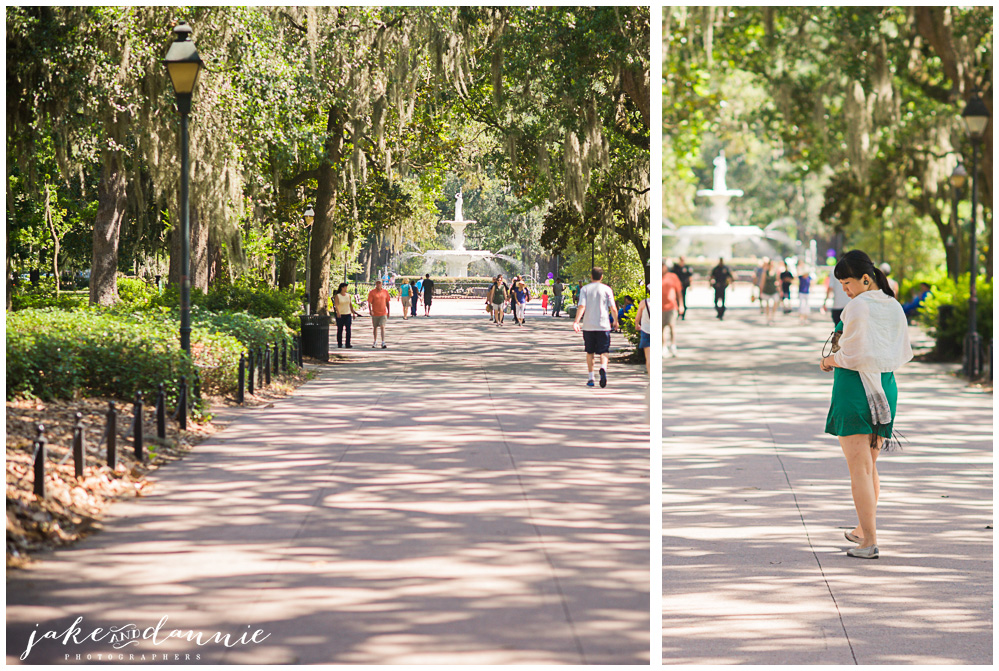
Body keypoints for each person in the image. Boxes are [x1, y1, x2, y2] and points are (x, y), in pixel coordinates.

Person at [820, 250, 912, 560]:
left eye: (847, 283)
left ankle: (869, 541)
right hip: (885, 387)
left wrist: (829, 359)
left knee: (858, 468)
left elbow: (853, 356)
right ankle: (863, 528)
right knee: (870, 464)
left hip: (855, 388)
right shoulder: (893, 305)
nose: (844, 290)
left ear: (865, 278)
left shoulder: (858, 306)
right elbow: (901, 352)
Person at [573, 266, 618, 387]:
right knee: (604, 351)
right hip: (603, 325)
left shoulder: (585, 289)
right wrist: (616, 321)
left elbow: (582, 306)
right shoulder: (607, 289)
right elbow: (613, 308)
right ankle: (603, 367)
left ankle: (591, 377)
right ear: (601, 277)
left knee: (590, 352)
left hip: (588, 325)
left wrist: (576, 321)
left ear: (591, 276)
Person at [662, 262, 683, 356]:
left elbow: (678, 292)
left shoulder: (673, 277)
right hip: (660, 307)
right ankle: (664, 346)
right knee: (661, 328)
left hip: (671, 306)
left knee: (672, 326)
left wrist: (681, 305)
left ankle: (673, 345)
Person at [332, 282, 360, 348]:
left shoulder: (348, 295)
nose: (346, 288)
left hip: (348, 314)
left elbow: (350, 304)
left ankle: (348, 343)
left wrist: (353, 313)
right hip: (341, 314)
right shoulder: (338, 296)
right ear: (342, 288)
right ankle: (339, 343)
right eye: (345, 287)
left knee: (348, 329)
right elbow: (336, 305)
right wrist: (338, 312)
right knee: (340, 329)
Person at [367, 279, 391, 348]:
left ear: (382, 284)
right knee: (375, 327)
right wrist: (370, 310)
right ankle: (375, 341)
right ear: (376, 284)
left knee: (382, 326)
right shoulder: (372, 292)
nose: (378, 284)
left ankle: (383, 342)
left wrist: (388, 311)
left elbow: (387, 302)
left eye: (379, 283)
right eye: (377, 283)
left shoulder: (385, 292)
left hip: (383, 312)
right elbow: (369, 302)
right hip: (375, 313)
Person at [758, 258, 779, 325]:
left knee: (775, 303)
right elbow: (762, 282)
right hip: (766, 290)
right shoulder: (765, 273)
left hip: (774, 290)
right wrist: (761, 291)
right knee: (767, 305)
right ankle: (768, 317)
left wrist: (779, 288)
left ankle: (772, 316)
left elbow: (778, 281)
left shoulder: (775, 272)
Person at [635, 292, 651, 374]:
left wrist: (637, 325)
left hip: (646, 331)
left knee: (649, 358)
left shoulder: (644, 303)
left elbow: (637, 318)